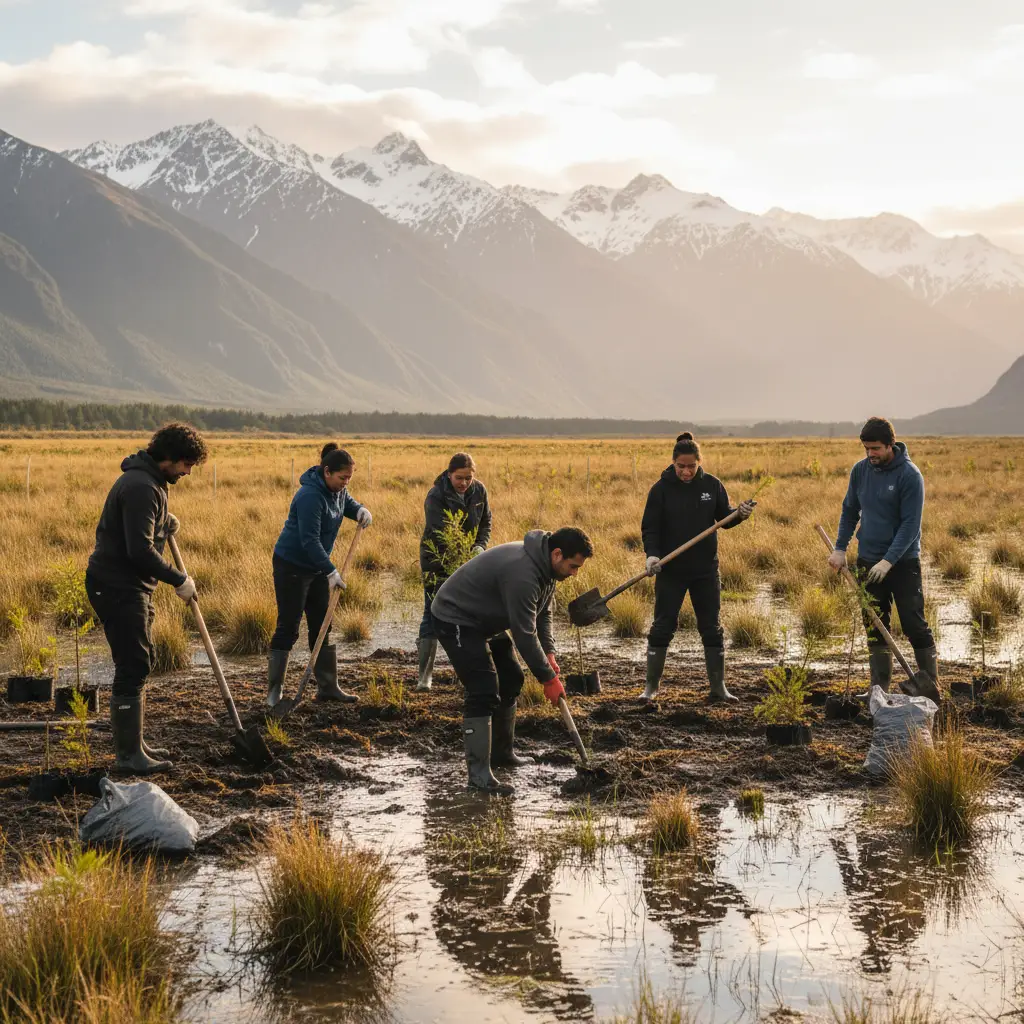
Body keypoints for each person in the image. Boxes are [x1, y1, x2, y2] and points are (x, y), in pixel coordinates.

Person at [431, 527, 594, 794]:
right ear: (557, 554)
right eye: (573, 566)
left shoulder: (547, 570)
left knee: (511, 678)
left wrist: (549, 653)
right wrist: (548, 679)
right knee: (483, 688)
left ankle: (502, 755)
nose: (575, 573)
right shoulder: (524, 573)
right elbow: (524, 634)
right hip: (455, 617)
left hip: (485, 619)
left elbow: (543, 614)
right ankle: (479, 777)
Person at [85, 423, 209, 774]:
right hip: (118, 585)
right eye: (185, 464)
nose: (186, 471)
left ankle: (135, 744)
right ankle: (128, 757)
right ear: (168, 456)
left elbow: (141, 530)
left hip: (131, 585)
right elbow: (138, 551)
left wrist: (161, 524)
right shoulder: (141, 486)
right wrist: (178, 578)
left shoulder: (150, 481)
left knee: (140, 660)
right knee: (133, 664)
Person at [827, 417, 938, 698]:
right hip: (867, 560)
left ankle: (931, 688)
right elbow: (849, 510)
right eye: (866, 448)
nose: (870, 454)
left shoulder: (910, 476)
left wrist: (888, 561)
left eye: (875, 448)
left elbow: (910, 526)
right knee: (875, 625)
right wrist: (840, 548)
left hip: (902, 563)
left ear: (891, 444)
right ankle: (878, 691)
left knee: (914, 624)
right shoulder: (860, 471)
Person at [641, 433, 755, 703]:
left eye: (691, 466)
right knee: (662, 626)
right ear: (673, 463)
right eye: (681, 466)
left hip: (705, 570)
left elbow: (724, 518)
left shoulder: (712, 485)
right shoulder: (660, 489)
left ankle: (718, 688)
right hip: (670, 571)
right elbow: (650, 528)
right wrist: (652, 556)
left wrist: (738, 515)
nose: (686, 471)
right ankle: (651, 688)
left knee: (711, 627)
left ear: (699, 463)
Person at [266, 446, 373, 707]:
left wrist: (359, 510)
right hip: (292, 565)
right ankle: (274, 694)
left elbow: (345, 501)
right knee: (288, 627)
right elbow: (309, 540)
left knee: (322, 625)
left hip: (317, 566)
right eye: (342, 478)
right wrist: (331, 571)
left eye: (349, 478)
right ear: (327, 472)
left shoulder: (338, 490)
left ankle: (327, 687)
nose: (346, 483)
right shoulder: (309, 496)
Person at [417, 452, 492, 691]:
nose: (464, 483)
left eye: (468, 478)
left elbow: (485, 523)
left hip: (470, 561)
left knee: (470, 614)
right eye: (459, 477)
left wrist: (480, 546)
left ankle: (470, 671)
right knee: (432, 612)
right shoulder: (436, 496)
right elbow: (440, 532)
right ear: (449, 474)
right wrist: (459, 559)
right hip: (436, 561)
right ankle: (425, 676)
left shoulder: (479, 491)